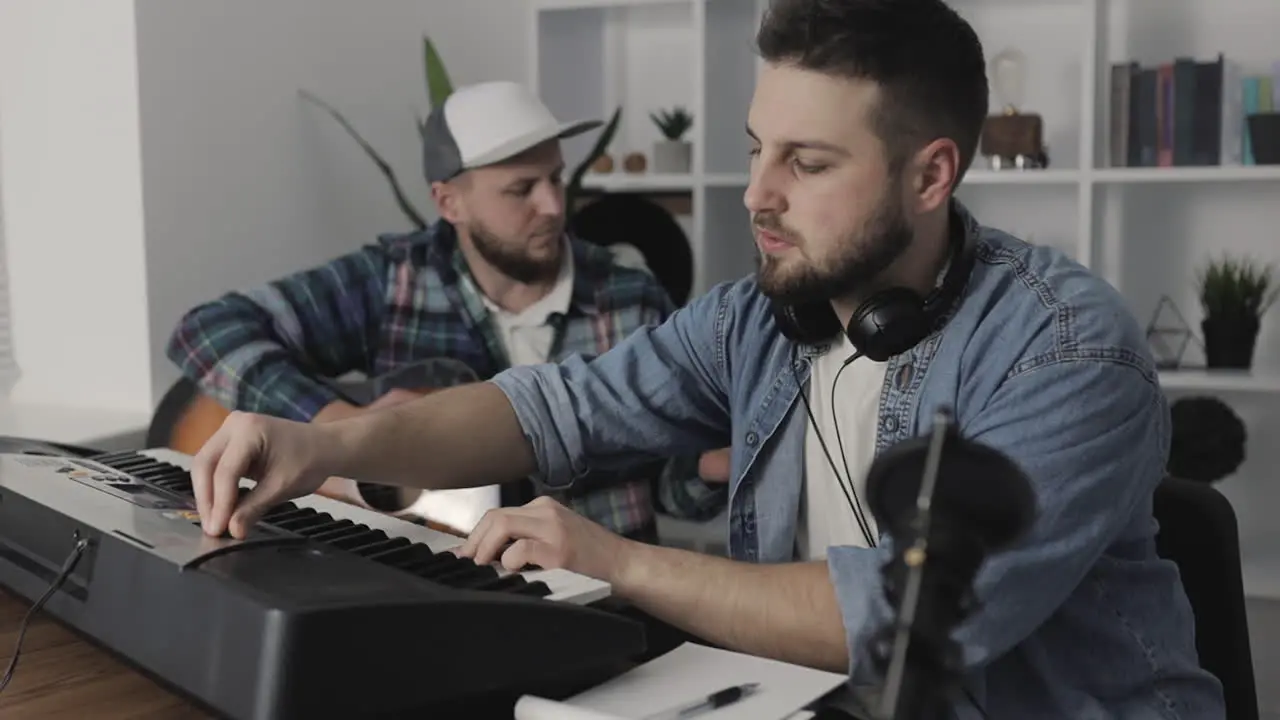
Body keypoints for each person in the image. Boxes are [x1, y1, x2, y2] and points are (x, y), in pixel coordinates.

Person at [186, 1, 1226, 718]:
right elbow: (549, 409)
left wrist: (616, 560)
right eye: (755, 145)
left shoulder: (1065, 350)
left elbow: (902, 615)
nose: (753, 193)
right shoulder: (755, 318)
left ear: (929, 175)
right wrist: (324, 445)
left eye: (805, 162)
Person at [165, 79, 729, 541]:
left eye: (557, 178)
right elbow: (208, 330)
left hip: (609, 603)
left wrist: (709, 466)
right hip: (435, 588)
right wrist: (341, 430)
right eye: (521, 188)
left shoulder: (630, 297)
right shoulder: (394, 279)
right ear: (448, 201)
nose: (554, 206)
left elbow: (670, 483)